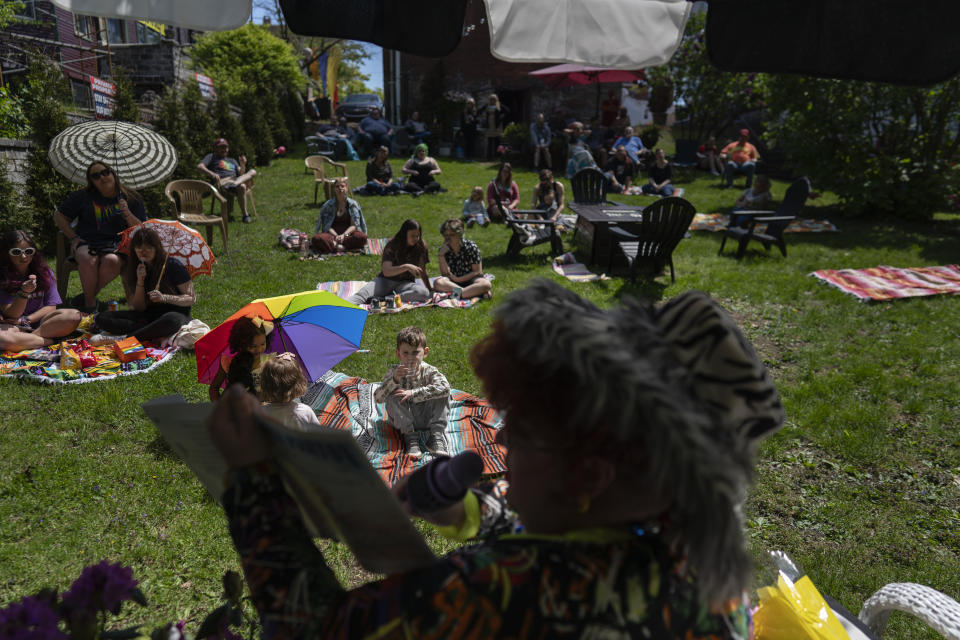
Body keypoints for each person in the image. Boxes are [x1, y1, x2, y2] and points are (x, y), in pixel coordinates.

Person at [207, 278, 785, 638]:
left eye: (523, 432)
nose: (502, 445)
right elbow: (585, 522)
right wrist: (479, 513)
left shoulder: (512, 587)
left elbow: (317, 628)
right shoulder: (708, 560)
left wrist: (253, 484)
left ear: (589, 472)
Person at [54, 161, 147, 312]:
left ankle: (84, 297)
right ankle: (90, 305)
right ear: (91, 181)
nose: (102, 177)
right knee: (86, 257)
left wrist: (128, 214)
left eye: (105, 172)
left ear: (113, 173)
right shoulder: (82, 196)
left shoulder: (132, 197)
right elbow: (59, 216)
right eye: (96, 176)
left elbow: (141, 228)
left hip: (116, 244)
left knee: (112, 260)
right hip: (87, 242)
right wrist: (73, 238)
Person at [91, 226, 195, 346]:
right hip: (149, 316)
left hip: (176, 314)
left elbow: (191, 298)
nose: (143, 252)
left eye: (148, 248)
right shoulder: (136, 267)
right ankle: (150, 332)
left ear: (157, 248)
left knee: (172, 321)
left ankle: (125, 338)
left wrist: (165, 297)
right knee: (102, 318)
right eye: (139, 248)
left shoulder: (173, 266)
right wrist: (140, 281)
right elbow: (138, 308)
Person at [372, 325, 451, 459]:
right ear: (398, 353)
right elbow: (378, 398)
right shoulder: (394, 372)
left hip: (428, 418)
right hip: (403, 420)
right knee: (392, 393)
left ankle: (436, 436)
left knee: (442, 391)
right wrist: (394, 380)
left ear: (425, 352)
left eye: (415, 352)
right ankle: (410, 438)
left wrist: (413, 393)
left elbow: (445, 387)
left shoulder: (429, 371)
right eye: (406, 353)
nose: (410, 358)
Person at [0, 229, 82, 352]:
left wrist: (26, 320)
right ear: (6, 253)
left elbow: (51, 306)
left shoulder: (44, 272)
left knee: (74, 316)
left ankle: (27, 340)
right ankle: (51, 341)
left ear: (34, 253)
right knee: (3, 339)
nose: (23, 256)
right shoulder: (2, 276)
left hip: (42, 323)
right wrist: (24, 292)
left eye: (28, 251)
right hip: (12, 326)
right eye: (16, 252)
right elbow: (12, 314)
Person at [347, 219, 431, 306]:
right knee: (361, 295)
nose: (416, 239)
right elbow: (386, 272)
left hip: (404, 284)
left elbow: (423, 270)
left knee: (424, 293)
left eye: (418, 236)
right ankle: (339, 307)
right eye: (412, 236)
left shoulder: (421, 246)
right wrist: (406, 267)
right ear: (404, 234)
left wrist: (430, 289)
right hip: (385, 281)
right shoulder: (393, 245)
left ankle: (386, 299)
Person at [208, 315, 271, 401]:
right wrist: (219, 406)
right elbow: (214, 389)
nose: (259, 349)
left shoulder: (270, 362)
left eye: (263, 344)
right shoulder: (229, 362)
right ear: (241, 343)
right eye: (253, 346)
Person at [197, 138, 257, 223]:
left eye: (225, 147)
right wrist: (212, 174)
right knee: (242, 186)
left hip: (235, 180)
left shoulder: (232, 160)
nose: (223, 149)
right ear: (216, 148)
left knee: (253, 171)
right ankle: (245, 215)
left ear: (228, 149)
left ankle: (234, 185)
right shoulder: (211, 157)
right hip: (222, 181)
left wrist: (243, 164)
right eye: (221, 147)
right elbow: (199, 167)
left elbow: (241, 173)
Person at [259, 352, 322, 432]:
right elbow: (319, 436)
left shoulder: (261, 413)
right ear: (298, 383)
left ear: (265, 383)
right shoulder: (304, 412)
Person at [433, 218, 492, 300]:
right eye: (446, 235)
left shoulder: (471, 247)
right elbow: (445, 274)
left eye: (452, 235)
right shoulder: (443, 249)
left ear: (459, 234)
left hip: (471, 280)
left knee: (486, 284)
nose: (448, 238)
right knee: (437, 283)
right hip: (453, 283)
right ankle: (470, 293)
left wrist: (459, 279)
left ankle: (457, 294)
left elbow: (477, 271)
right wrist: (441, 255)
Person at [312, 178, 368, 254]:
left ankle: (336, 247)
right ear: (334, 189)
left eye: (342, 186)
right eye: (337, 186)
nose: (340, 188)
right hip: (331, 235)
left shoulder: (353, 205)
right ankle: (344, 247)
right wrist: (336, 236)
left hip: (348, 234)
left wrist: (344, 235)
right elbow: (327, 226)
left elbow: (353, 225)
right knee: (317, 238)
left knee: (362, 237)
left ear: (347, 188)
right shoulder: (328, 205)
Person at [479, 93, 508, 160]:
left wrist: (501, 117)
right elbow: (480, 111)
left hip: (497, 125)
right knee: (489, 141)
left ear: (496, 100)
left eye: (494, 99)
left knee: (497, 141)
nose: (492, 101)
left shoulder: (499, 105)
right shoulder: (487, 105)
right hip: (489, 125)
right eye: (491, 99)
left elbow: (507, 111)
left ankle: (497, 156)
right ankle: (489, 157)